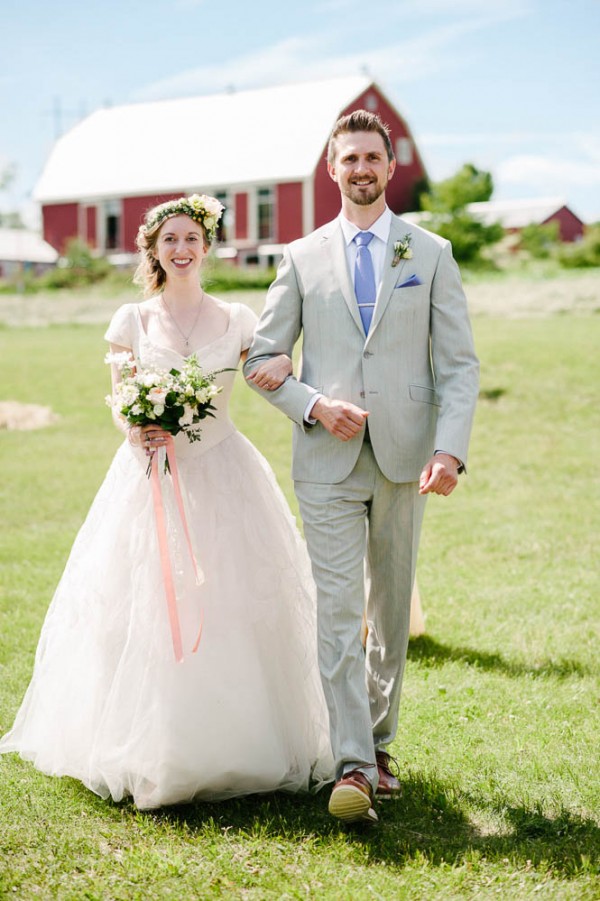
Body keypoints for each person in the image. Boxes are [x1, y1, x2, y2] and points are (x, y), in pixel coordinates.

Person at [0, 194, 334, 809]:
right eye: (169, 239)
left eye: (191, 238)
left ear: (207, 246)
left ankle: (239, 741)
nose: (181, 249)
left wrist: (289, 363)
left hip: (225, 471)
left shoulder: (237, 316)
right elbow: (120, 405)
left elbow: (269, 371)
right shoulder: (130, 319)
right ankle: (152, 744)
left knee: (232, 600)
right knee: (146, 602)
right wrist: (140, 428)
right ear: (153, 249)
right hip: (149, 477)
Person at [245, 111, 479, 825]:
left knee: (389, 611)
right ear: (331, 167)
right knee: (340, 610)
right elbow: (260, 361)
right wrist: (313, 404)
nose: (361, 169)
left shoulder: (431, 252)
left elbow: (460, 364)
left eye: (372, 157)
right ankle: (352, 763)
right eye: (349, 158)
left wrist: (450, 447)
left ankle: (377, 743)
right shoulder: (300, 255)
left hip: (408, 459)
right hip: (326, 462)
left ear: (388, 165)